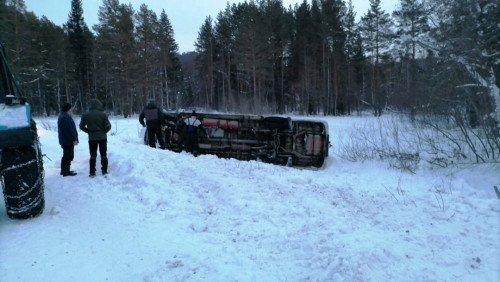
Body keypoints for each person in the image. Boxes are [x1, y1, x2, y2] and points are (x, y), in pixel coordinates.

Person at [79, 99, 112, 177]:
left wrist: (89, 131)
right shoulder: (103, 115)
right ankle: (104, 170)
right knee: (103, 154)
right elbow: (108, 126)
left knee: (93, 155)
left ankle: (92, 172)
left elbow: (81, 126)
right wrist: (104, 132)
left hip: (92, 138)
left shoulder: (85, 115)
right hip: (102, 138)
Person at [58, 102, 79, 176]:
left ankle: (64, 170)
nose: (71, 110)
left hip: (66, 140)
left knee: (67, 155)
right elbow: (68, 130)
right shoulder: (65, 118)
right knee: (68, 156)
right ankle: (65, 171)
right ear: (67, 109)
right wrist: (74, 139)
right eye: (71, 109)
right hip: (67, 141)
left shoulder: (64, 116)